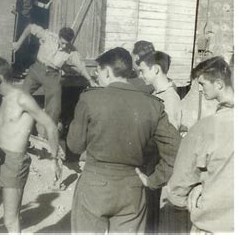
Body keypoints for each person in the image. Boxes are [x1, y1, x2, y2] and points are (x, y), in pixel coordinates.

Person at [67, 47, 181, 233]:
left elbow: (74, 145)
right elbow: (176, 149)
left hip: (94, 185)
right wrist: (154, 180)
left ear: (107, 71)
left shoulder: (90, 99)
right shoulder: (152, 105)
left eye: (98, 72)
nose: (98, 77)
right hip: (133, 188)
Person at [0, 57, 62, 233]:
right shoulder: (4, 97)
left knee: (10, 220)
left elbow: (50, 126)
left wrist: (54, 159)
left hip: (14, 162)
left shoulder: (22, 99)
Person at [166, 56, 233, 233]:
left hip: (212, 224)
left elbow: (179, 185)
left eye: (202, 84)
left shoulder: (207, 127)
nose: (200, 90)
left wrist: (198, 188)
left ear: (218, 84)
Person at [137, 51, 191, 233]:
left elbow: (169, 142)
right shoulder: (156, 93)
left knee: (150, 215)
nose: (141, 75)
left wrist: (156, 175)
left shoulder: (169, 99)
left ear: (156, 69)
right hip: (148, 160)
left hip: (155, 164)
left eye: (143, 70)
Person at [13, 24, 93, 137]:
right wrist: (18, 43)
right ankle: (15, 123)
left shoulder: (71, 50)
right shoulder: (48, 36)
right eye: (62, 42)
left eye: (67, 43)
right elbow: (30, 27)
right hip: (37, 69)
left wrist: (90, 80)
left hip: (53, 74)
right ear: (59, 37)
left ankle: (47, 135)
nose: (64, 45)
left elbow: (81, 67)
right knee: (22, 96)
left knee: (54, 106)